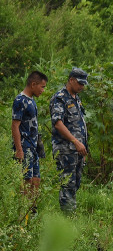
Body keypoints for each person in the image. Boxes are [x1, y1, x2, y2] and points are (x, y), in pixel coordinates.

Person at [50, 68, 89, 213]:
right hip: (66, 148)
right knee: (67, 184)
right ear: (71, 80)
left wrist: (83, 147)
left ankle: (71, 216)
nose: (82, 87)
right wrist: (75, 141)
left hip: (78, 150)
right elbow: (58, 123)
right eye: (79, 83)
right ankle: (68, 220)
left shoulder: (76, 98)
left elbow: (79, 124)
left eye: (84, 84)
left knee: (75, 184)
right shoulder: (60, 98)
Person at [11, 70, 47, 202]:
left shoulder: (31, 100)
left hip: (33, 147)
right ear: (33, 84)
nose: (43, 90)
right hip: (24, 147)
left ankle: (32, 213)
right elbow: (15, 126)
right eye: (42, 87)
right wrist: (19, 150)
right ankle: (23, 214)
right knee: (26, 181)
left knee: (36, 180)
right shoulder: (20, 100)